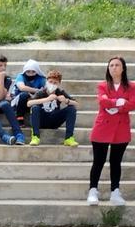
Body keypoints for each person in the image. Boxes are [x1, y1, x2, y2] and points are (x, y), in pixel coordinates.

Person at [87, 56, 135, 206]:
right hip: (102, 126)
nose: (114, 67)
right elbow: (102, 101)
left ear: (123, 68)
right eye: (111, 65)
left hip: (121, 128)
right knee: (98, 161)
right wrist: (119, 102)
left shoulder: (131, 86)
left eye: (117, 65)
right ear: (108, 68)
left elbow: (132, 104)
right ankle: (93, 190)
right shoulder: (102, 86)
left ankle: (115, 192)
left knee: (116, 162)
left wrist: (114, 104)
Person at [27, 69, 79, 147]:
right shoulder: (41, 92)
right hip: (41, 120)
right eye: (50, 82)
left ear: (59, 84)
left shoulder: (60, 92)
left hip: (54, 120)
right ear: (46, 81)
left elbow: (76, 103)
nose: (52, 84)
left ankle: (69, 138)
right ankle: (35, 136)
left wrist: (66, 100)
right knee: (35, 108)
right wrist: (47, 99)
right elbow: (29, 103)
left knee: (71, 108)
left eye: (55, 83)